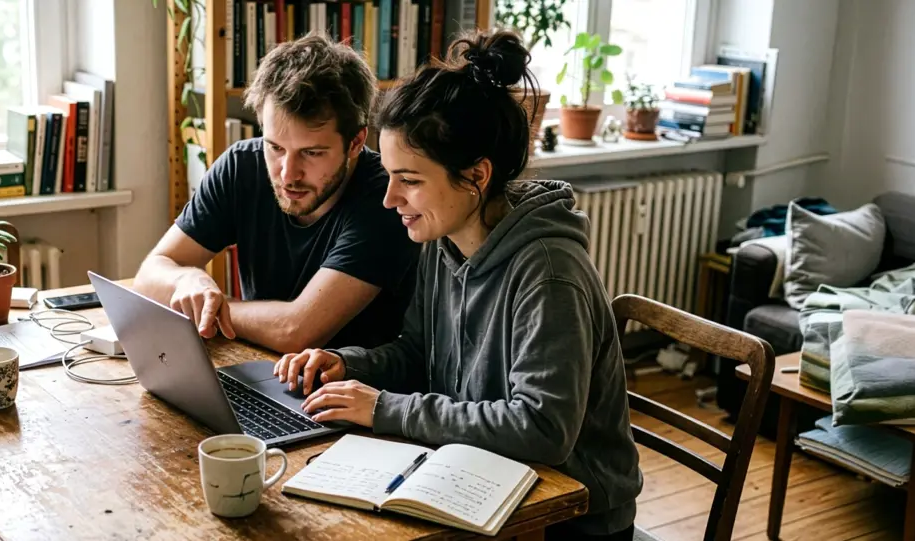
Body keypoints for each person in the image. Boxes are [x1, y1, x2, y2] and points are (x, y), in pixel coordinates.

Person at [273, 31, 643, 540]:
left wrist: (385, 408)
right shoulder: (444, 241)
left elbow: (542, 429)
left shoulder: (550, 273)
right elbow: (419, 352)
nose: (390, 200)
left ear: (476, 175)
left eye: (410, 179)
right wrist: (347, 363)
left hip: (568, 518)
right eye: (389, 177)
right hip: (481, 480)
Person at [132, 33, 420, 354]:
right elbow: (149, 276)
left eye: (311, 153)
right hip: (257, 365)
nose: (287, 174)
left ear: (355, 142)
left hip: (346, 390)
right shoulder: (242, 165)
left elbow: (296, 332)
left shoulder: (388, 198)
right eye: (275, 147)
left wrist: (214, 309)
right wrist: (186, 282)